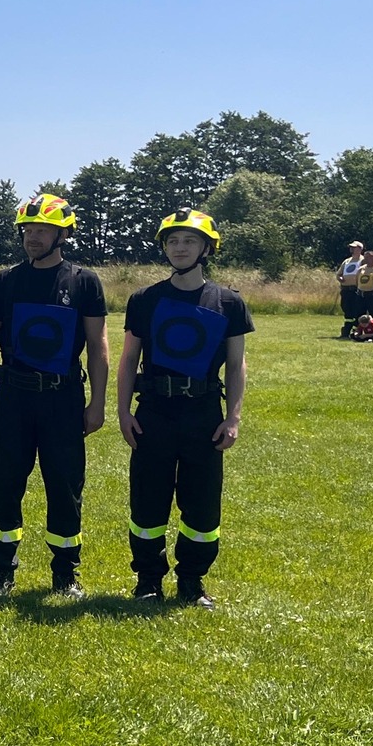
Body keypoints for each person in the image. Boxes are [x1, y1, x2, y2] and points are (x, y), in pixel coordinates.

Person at [0, 194, 108, 598]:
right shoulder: (5, 281)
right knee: (6, 482)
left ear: (62, 235)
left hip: (62, 398)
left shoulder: (84, 281)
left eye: (42, 230)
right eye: (28, 230)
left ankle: (66, 573)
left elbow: (98, 345)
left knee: (65, 485)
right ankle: (2, 569)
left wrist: (97, 403)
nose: (32, 237)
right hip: (14, 396)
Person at [118, 208, 251, 608]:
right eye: (173, 241)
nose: (180, 248)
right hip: (154, 411)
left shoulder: (228, 302)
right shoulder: (145, 299)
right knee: (147, 499)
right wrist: (123, 412)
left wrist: (233, 418)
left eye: (190, 241)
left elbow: (236, 364)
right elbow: (128, 359)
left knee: (202, 503)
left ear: (207, 248)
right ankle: (148, 580)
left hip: (203, 413)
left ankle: (192, 581)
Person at [337, 242, 364, 336]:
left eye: (354, 247)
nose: (351, 249)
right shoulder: (347, 261)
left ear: (360, 249)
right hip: (345, 289)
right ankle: (346, 329)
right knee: (346, 309)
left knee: (357, 309)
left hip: (356, 289)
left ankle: (356, 329)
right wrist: (340, 278)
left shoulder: (363, 260)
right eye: (351, 247)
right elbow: (338, 274)